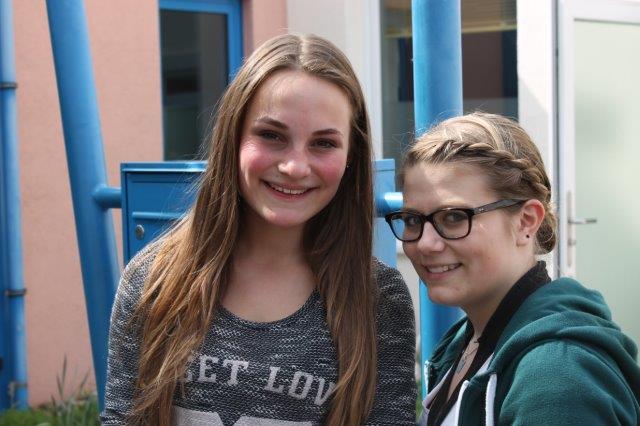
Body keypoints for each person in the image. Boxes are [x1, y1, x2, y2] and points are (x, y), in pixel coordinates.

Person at [100, 34, 416, 425]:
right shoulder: (153, 279)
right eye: (271, 135)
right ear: (232, 138)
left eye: (323, 143)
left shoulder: (378, 299)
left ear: (352, 156)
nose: (294, 167)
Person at [385, 112, 640, 425]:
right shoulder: (464, 343)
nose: (425, 243)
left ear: (526, 221)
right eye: (413, 220)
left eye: (453, 217)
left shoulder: (555, 375)